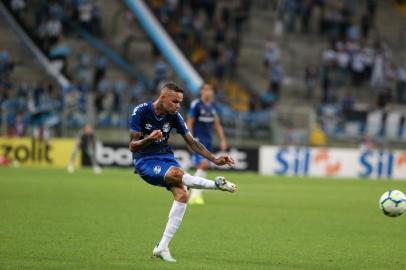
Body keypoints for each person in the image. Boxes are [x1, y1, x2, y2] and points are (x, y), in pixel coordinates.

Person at [129, 82, 236, 263]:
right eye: (175, 102)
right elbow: (132, 145)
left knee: (182, 195)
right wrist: (148, 139)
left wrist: (215, 160)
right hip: (145, 161)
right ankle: (216, 185)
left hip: (166, 157)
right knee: (178, 174)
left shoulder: (174, 116)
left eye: (180, 102)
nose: (178, 106)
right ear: (163, 98)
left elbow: (192, 142)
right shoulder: (140, 111)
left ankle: (162, 247)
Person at [186, 84, 228, 205]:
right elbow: (189, 122)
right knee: (203, 164)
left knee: (204, 166)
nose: (208, 92)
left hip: (208, 142)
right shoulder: (196, 105)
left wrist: (223, 140)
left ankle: (190, 187)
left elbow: (217, 125)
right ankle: (194, 195)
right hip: (198, 141)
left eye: (210, 90)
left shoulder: (213, 106)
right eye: (205, 90)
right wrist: (190, 139)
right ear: (201, 92)